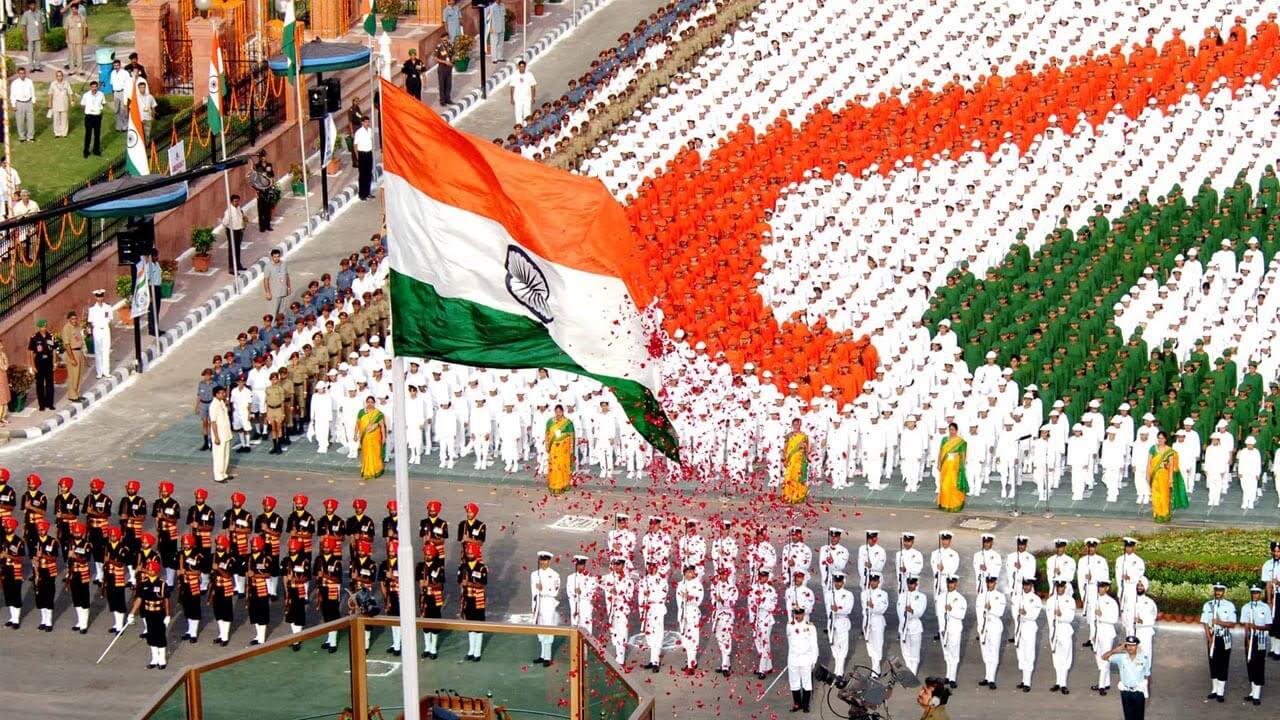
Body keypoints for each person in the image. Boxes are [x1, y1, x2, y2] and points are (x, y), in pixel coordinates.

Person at [129, 559, 170, 668]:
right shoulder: (143, 584)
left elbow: (166, 600)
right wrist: (132, 613)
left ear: (156, 571)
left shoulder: (162, 584)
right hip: (148, 613)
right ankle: (154, 659)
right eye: (148, 569)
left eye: (151, 570)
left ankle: (162, 659)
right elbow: (139, 599)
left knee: (160, 635)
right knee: (151, 635)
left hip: (159, 613)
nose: (149, 571)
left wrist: (168, 615)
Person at [1202, 582, 1237, 702]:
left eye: (1220, 590)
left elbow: (1232, 624)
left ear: (1224, 591)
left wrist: (1219, 622)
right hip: (1212, 637)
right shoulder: (1208, 605)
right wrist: (1209, 638)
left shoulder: (1229, 606)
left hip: (1224, 637)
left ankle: (1220, 692)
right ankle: (1214, 690)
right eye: (1216, 590)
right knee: (1213, 663)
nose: (1218, 592)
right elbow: (1205, 623)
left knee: (1223, 663)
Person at [1103, 636, 1152, 720]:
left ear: (1137, 646)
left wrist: (1147, 694)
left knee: (1139, 717)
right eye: (1128, 645)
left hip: (1139, 693)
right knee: (1128, 717)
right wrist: (1115, 650)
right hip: (1125, 692)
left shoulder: (1144, 659)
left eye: (1133, 645)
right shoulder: (1121, 658)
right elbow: (1104, 657)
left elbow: (1148, 676)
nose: (1130, 647)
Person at [1147, 431, 1188, 522]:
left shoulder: (1169, 451)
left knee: (1164, 495)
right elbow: (1149, 463)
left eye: (1162, 438)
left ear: (1165, 439)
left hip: (1164, 476)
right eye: (1159, 438)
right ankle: (1157, 514)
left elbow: (1172, 465)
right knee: (1155, 496)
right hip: (1154, 476)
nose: (1160, 440)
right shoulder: (1153, 449)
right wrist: (1147, 475)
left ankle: (1165, 514)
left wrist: (1171, 479)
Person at [1241, 585, 1271, 704]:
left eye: (1257, 593)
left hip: (1261, 639)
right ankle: (1253, 692)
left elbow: (1268, 626)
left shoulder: (1265, 608)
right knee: (1251, 664)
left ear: (1260, 593)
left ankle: (1257, 695)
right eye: (1253, 593)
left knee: (1259, 664)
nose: (1255, 595)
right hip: (1250, 638)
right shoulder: (1246, 607)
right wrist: (1247, 639)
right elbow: (1246, 625)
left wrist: (1256, 627)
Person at [459, 541, 488, 661]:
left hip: (478, 599)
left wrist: (469, 584)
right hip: (467, 599)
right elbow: (460, 581)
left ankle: (477, 652)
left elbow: (483, 584)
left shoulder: (482, 568)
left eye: (471, 553)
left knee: (478, 625)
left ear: (475, 554)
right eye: (468, 553)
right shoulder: (463, 567)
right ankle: (471, 650)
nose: (469, 555)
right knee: (470, 625)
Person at [786, 604, 818, 712]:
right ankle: (797, 704)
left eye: (799, 614)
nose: (797, 616)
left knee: (806, 683)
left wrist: (813, 660)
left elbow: (814, 645)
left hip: (806, 659)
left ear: (803, 614)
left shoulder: (810, 627)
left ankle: (805, 705)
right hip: (793, 658)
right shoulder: (789, 626)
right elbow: (789, 642)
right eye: (796, 613)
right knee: (794, 682)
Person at [976, 575, 1006, 689]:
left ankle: (992, 679)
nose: (990, 584)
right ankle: (987, 677)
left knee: (994, 652)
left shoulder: (1000, 596)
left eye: (992, 582)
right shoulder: (981, 596)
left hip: (995, 626)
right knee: (986, 653)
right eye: (988, 582)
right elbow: (978, 613)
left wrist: (991, 608)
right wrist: (980, 627)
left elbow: (1000, 612)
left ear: (995, 583)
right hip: (984, 627)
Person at [936, 422, 968, 512]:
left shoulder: (960, 442)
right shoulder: (944, 440)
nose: (951, 431)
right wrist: (938, 463)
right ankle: (944, 503)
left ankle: (955, 504)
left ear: (956, 430)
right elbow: (941, 451)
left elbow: (963, 455)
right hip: (945, 465)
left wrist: (963, 466)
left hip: (955, 466)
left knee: (953, 485)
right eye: (950, 429)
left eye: (953, 430)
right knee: (944, 485)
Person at [355, 395, 386, 480]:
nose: (370, 404)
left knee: (375, 454)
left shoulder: (378, 414)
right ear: (366, 402)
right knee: (366, 454)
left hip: (375, 438)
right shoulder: (361, 412)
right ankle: (366, 471)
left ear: (374, 403)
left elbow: (382, 426)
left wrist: (384, 437)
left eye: (372, 402)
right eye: (368, 402)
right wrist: (355, 434)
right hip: (365, 438)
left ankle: (376, 470)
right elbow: (357, 424)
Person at [545, 404, 574, 494]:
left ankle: (563, 484)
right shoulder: (550, 421)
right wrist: (547, 445)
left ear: (562, 412)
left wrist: (571, 448)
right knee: (554, 466)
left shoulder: (567, 423)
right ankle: (554, 485)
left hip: (563, 450)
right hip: (553, 449)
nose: (558, 413)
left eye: (560, 412)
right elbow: (547, 434)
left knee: (562, 466)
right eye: (556, 412)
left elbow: (571, 436)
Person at [27, 318, 55, 411]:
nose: (44, 328)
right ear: (39, 327)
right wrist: (33, 366)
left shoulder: (50, 336)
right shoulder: (34, 338)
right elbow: (31, 353)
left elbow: (54, 350)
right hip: (39, 363)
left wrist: (54, 362)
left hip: (48, 362)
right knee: (40, 385)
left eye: (45, 326)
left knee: (50, 384)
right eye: (42, 327)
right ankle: (42, 405)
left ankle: (50, 403)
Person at [781, 418, 809, 503]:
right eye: (794, 424)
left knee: (797, 477)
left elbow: (807, 449)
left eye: (798, 424)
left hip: (799, 460)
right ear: (792, 425)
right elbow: (785, 447)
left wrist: (805, 454)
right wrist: (784, 457)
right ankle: (788, 495)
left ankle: (798, 496)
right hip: (790, 460)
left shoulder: (804, 436)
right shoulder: (789, 435)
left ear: (800, 425)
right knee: (789, 477)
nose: (796, 426)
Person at [209, 386, 233, 483]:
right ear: (216, 394)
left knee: (225, 454)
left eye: (224, 392)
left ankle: (223, 473)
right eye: (222, 393)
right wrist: (216, 437)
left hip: (226, 433)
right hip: (219, 435)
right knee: (219, 456)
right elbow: (213, 423)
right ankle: (218, 476)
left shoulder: (221, 402)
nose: (224, 394)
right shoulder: (214, 405)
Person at [61, 311, 86, 403]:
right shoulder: (66, 329)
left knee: (79, 374)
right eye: (72, 319)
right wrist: (72, 358)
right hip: (73, 352)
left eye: (75, 318)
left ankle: (77, 393)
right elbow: (67, 344)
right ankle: (72, 395)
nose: (74, 320)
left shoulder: (78, 327)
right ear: (69, 319)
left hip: (79, 351)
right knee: (73, 375)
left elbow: (80, 339)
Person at [249, 150, 276, 231]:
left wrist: (273, 185)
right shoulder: (257, 166)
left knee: (268, 208)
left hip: (268, 189)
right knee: (261, 209)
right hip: (260, 190)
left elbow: (272, 176)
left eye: (264, 156)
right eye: (261, 156)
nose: (263, 158)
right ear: (259, 157)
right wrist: (256, 191)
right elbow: (254, 180)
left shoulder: (269, 165)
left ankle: (268, 225)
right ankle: (262, 227)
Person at [221, 194, 246, 274]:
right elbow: (225, 222)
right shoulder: (229, 211)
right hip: (232, 231)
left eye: (238, 201)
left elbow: (241, 217)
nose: (237, 203)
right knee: (232, 250)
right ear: (231, 202)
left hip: (239, 230)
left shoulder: (238, 208)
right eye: (235, 201)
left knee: (238, 248)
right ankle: (232, 268)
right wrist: (228, 228)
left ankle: (238, 265)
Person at [9, 67, 36, 142]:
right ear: (18, 74)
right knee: (20, 121)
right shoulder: (15, 83)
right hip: (19, 103)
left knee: (30, 120)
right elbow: (12, 95)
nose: (22, 75)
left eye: (24, 73)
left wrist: (33, 101)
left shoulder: (29, 81)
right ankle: (22, 137)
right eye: (21, 73)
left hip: (29, 102)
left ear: (25, 73)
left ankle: (30, 136)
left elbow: (32, 92)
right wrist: (13, 104)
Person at [80, 80, 104, 157]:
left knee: (97, 135)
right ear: (90, 87)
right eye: (92, 87)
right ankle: (86, 151)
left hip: (97, 117)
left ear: (97, 87)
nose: (94, 88)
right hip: (89, 117)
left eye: (95, 87)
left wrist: (99, 110)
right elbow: (82, 105)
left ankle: (96, 150)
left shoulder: (101, 94)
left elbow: (103, 103)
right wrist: (86, 112)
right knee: (88, 135)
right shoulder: (86, 95)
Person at [265, 249, 291, 318]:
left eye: (278, 256)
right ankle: (273, 324)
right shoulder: (268, 266)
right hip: (274, 293)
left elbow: (287, 276)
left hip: (283, 292)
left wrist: (288, 287)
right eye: (275, 257)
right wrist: (267, 292)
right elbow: (266, 280)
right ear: (272, 257)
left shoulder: (283, 264)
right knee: (273, 313)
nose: (276, 258)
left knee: (282, 313)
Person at [354, 116, 374, 200]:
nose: (367, 123)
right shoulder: (358, 132)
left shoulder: (370, 131)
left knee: (368, 174)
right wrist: (357, 157)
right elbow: (355, 145)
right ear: (362, 123)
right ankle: (362, 194)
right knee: (362, 175)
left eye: (368, 122)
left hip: (369, 153)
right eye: (366, 122)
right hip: (362, 154)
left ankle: (367, 192)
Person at [64, 4, 88, 75]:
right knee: (72, 55)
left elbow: (84, 28)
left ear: (77, 9)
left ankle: (80, 70)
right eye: (72, 9)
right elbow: (66, 28)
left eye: (75, 9)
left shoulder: (82, 18)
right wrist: (67, 38)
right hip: (71, 39)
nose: (73, 10)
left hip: (79, 39)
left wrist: (85, 38)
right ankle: (72, 70)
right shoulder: (68, 18)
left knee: (80, 55)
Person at [20, 4, 43, 71]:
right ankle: (31, 67)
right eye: (31, 5)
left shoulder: (39, 13)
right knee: (30, 52)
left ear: (35, 5)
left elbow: (42, 23)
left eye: (34, 5)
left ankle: (37, 66)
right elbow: (24, 26)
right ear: (29, 6)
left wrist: (42, 34)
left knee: (38, 52)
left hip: (38, 35)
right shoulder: (26, 14)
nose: (33, 6)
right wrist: (25, 36)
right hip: (30, 36)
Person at [433, 37, 453, 106]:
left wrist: (452, 61)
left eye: (446, 39)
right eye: (444, 40)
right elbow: (435, 58)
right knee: (442, 85)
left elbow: (453, 54)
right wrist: (444, 62)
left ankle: (448, 99)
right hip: (442, 68)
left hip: (449, 68)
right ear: (441, 40)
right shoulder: (439, 47)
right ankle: (442, 101)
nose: (445, 41)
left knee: (449, 84)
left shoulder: (450, 46)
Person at [0, 339, 11, 424]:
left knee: (5, 396)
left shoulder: (2, 354)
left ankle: (2, 417)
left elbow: (6, 362)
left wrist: (5, 365)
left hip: (3, 377)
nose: (1, 346)